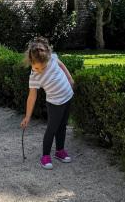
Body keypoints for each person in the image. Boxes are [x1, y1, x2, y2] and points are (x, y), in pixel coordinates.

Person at [20, 37, 74, 170]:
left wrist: (69, 78)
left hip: (68, 96)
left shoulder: (52, 58)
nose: (40, 70)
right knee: (52, 129)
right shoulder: (34, 76)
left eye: (42, 67)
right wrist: (27, 116)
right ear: (31, 61)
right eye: (37, 67)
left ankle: (59, 151)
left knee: (62, 126)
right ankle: (45, 155)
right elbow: (32, 96)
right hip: (54, 103)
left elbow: (61, 64)